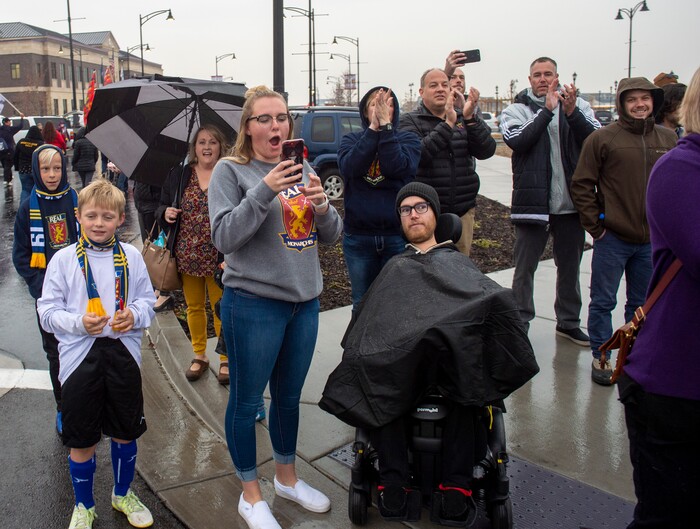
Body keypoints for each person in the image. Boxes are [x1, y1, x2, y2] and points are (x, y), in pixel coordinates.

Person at [320, 182, 537, 525]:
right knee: (379, 372)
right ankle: (394, 481)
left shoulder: (458, 264)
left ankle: (456, 487)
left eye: (421, 207)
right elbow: (369, 322)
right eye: (405, 210)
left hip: (452, 366)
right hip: (401, 368)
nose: (413, 214)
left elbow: (485, 302)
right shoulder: (395, 267)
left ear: (436, 215)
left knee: (471, 379)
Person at [209, 85, 342, 529]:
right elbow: (224, 238)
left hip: (303, 304)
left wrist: (323, 208)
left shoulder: (301, 166)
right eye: (264, 119)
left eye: (281, 117)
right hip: (253, 304)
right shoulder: (232, 171)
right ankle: (250, 494)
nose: (274, 126)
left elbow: (329, 235)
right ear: (247, 128)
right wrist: (263, 190)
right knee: (247, 403)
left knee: (288, 398)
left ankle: (286, 478)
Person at [37, 179, 156, 529]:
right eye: (91, 216)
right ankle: (84, 505)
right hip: (78, 359)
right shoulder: (62, 260)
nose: (99, 223)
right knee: (82, 438)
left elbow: (148, 303)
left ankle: (122, 494)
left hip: (123, 354)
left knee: (125, 432)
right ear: (78, 217)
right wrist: (78, 323)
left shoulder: (131, 256)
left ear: (121, 218)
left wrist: (133, 315)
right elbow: (46, 312)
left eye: (107, 216)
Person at [617, 66, 700, 528]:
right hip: (676, 390)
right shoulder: (682, 167)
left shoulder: (663, 146)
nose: (640, 105)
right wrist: (602, 222)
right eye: (632, 99)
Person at [571, 77, 677, 385]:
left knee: (641, 304)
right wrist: (597, 227)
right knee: (603, 301)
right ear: (622, 104)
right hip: (612, 239)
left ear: (653, 102)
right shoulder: (603, 139)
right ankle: (601, 354)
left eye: (645, 98)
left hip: (651, 242)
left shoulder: (668, 139)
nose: (639, 104)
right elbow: (581, 184)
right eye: (632, 99)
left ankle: (633, 355)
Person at [499, 56, 599, 344]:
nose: (543, 79)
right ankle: (520, 324)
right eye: (537, 75)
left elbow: (596, 141)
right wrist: (546, 111)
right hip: (533, 206)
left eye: (548, 74)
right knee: (525, 269)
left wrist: (571, 114)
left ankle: (568, 322)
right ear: (529, 80)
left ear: (557, 76)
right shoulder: (516, 110)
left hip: (571, 206)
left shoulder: (578, 106)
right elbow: (517, 140)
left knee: (569, 268)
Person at [12, 144, 79, 435]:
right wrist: (41, 289)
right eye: (45, 169)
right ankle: (63, 407)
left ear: (64, 168)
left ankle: (83, 404)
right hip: (48, 298)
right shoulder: (28, 207)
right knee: (56, 354)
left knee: (81, 351)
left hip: (78, 293)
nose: (52, 174)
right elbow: (21, 255)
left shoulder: (77, 200)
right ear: (37, 172)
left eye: (56, 168)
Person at [156, 125, 230, 383]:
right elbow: (161, 205)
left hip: (219, 255)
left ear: (221, 146)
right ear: (194, 148)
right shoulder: (180, 174)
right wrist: (166, 212)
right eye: (201, 142)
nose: (207, 147)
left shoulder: (228, 171)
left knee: (222, 308)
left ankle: (225, 358)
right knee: (194, 307)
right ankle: (199, 355)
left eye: (212, 142)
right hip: (187, 253)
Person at [337, 85, 421, 309]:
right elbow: (350, 167)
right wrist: (373, 130)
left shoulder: (408, 140)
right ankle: (360, 345)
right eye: (375, 104)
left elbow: (397, 167)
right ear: (365, 112)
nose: (382, 109)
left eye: (388, 104)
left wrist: (386, 130)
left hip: (396, 235)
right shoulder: (350, 140)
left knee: (395, 302)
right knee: (361, 302)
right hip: (359, 237)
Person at [399, 68, 496, 257]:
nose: (440, 89)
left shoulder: (463, 116)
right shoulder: (410, 120)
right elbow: (419, 155)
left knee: (459, 272)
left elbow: (486, 150)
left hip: (462, 212)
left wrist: (470, 118)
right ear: (421, 92)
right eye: (433, 85)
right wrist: (448, 124)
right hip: (425, 215)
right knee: (426, 272)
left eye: (445, 85)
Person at [134, 180, 173, 313]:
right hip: (143, 206)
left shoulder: (159, 165)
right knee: (150, 251)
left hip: (153, 207)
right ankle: (157, 286)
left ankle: (164, 291)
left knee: (159, 251)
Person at [13, 125, 44, 204]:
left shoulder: (21, 142)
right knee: (38, 190)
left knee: (25, 190)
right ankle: (36, 206)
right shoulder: (40, 144)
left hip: (23, 170)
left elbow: (15, 156)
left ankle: (23, 209)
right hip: (36, 170)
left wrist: (17, 167)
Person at [1, 113, 26, 186]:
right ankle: (6, 180)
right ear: (7, 122)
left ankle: (9, 179)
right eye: (9, 122)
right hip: (9, 150)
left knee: (5, 164)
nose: (10, 123)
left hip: (1, 150)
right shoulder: (9, 129)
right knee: (8, 165)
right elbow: (20, 126)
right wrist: (22, 118)